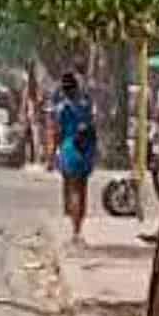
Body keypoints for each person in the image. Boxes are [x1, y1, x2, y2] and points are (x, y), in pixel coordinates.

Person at [48, 70, 98, 247]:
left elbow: (56, 133)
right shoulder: (86, 105)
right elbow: (92, 126)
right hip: (86, 150)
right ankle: (78, 229)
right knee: (82, 190)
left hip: (69, 149)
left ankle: (75, 231)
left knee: (71, 190)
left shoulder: (62, 109)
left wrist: (51, 155)